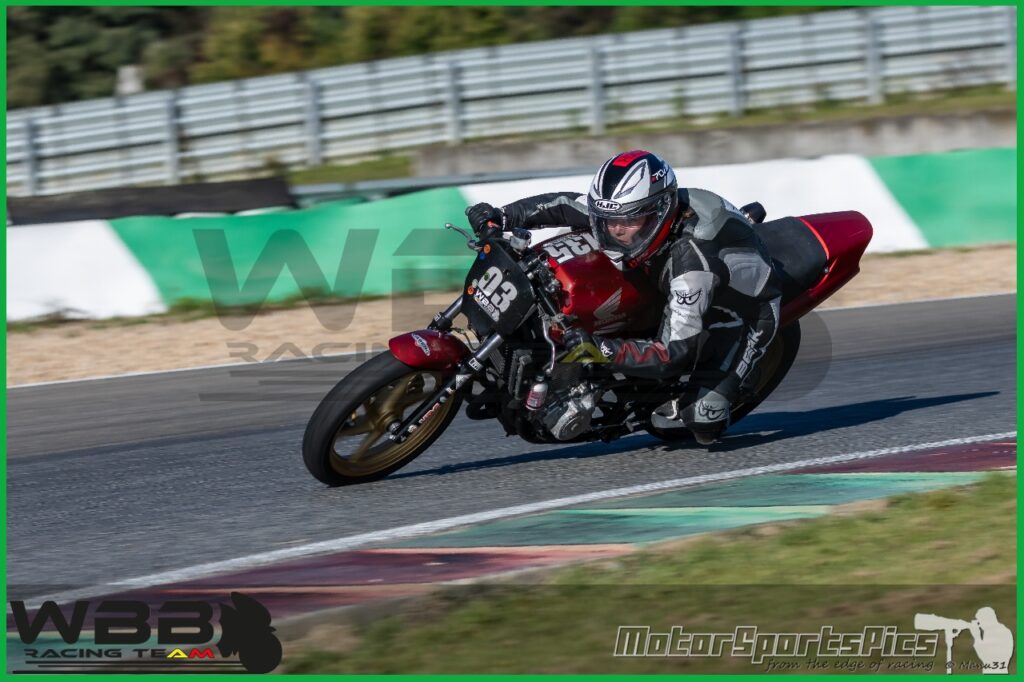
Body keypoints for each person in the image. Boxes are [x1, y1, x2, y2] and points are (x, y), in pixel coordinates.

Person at [465, 150, 781, 445]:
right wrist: (502, 217)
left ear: (660, 212)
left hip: (745, 312)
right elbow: (564, 204)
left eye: (629, 221)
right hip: (670, 278)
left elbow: (671, 354)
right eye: (607, 219)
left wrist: (599, 348)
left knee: (701, 422)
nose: (615, 230)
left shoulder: (691, 265)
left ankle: (734, 383)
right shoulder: (624, 212)